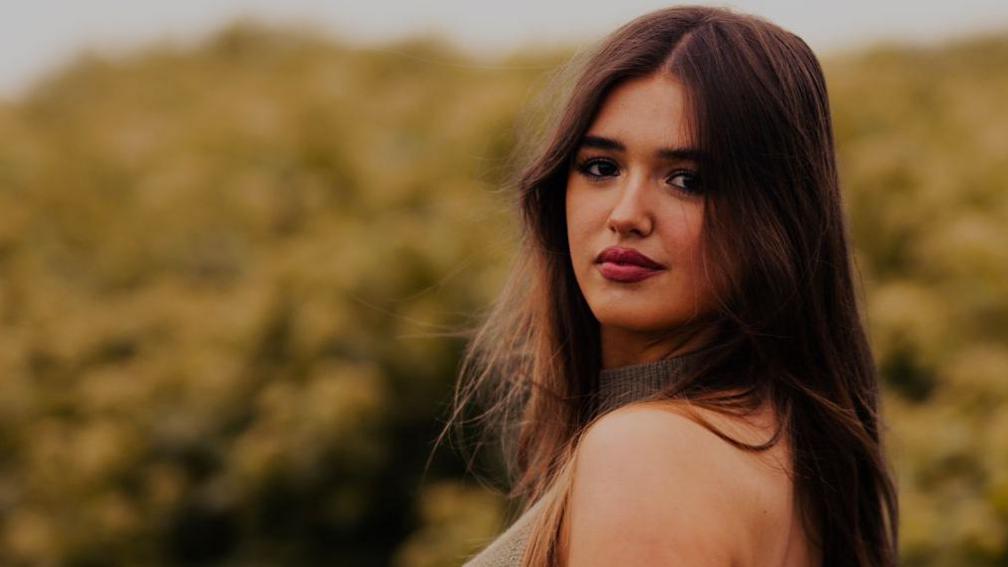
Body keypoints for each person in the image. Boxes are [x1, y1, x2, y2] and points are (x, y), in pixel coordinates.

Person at [436, 5, 899, 566]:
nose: (627, 214)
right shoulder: (784, 445)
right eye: (601, 167)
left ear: (775, 219)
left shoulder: (648, 454)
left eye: (687, 180)